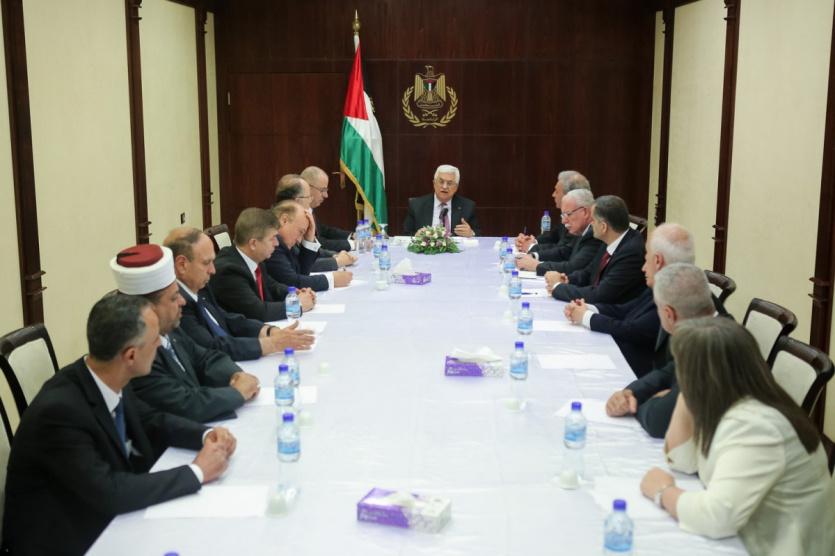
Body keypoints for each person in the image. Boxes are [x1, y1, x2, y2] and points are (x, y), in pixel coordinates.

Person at [1, 294, 236, 555]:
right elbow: (110, 492)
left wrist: (205, 435)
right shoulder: (59, 413)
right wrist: (197, 471)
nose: (160, 344)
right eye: (155, 339)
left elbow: (153, 420)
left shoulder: (106, 373)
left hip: (99, 517)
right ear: (131, 355)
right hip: (68, 540)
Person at [640, 317, 835, 555]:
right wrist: (684, 394)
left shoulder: (756, 426)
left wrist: (663, 492)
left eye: (682, 370)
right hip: (747, 538)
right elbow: (683, 461)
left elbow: (717, 517)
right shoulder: (734, 402)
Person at [111, 243, 261, 422]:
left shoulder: (169, 328)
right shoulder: (138, 353)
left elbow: (205, 357)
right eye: (174, 297)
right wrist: (237, 393)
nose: (182, 301)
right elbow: (185, 405)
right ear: (149, 310)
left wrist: (235, 374)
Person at [164, 226, 315, 361]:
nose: (213, 270)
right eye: (206, 263)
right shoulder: (176, 303)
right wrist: (271, 344)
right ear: (182, 265)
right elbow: (212, 347)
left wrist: (270, 331)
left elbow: (226, 318)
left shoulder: (199, 286)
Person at [563, 223, 693, 377]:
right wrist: (588, 309)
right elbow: (624, 310)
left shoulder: (676, 296)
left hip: (637, 370)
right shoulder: (660, 287)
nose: (643, 268)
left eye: (646, 260)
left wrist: (585, 317)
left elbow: (631, 330)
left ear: (658, 261)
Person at [605, 263, 718, 437]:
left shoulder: (710, 347)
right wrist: (632, 392)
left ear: (668, 314)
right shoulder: (706, 324)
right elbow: (669, 371)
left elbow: (658, 421)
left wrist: (640, 403)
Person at [211, 207, 316, 321]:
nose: (277, 243)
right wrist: (298, 304)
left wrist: (295, 293)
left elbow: (272, 286)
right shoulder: (229, 271)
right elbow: (258, 312)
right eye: (272, 238)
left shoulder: (254, 258)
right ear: (253, 243)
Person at [546, 195, 646, 304]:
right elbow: (589, 272)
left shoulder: (631, 253)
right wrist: (567, 279)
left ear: (603, 227)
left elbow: (600, 295)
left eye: (593, 220)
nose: (591, 224)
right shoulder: (611, 238)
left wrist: (558, 287)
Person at [264, 200, 353, 291]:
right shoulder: (272, 243)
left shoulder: (285, 242)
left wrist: (309, 238)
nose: (299, 240)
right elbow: (291, 282)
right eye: (300, 232)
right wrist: (331, 280)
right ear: (284, 220)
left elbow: (301, 273)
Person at [275, 173, 355, 271]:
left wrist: (335, 255)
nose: (310, 200)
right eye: (308, 197)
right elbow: (297, 266)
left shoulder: (294, 221)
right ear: (297, 201)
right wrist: (336, 261)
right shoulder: (277, 230)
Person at [515, 189, 602, 275]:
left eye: (568, 214)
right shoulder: (582, 230)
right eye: (563, 215)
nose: (563, 221)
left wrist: (537, 266)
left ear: (585, 212)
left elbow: (573, 268)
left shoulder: (594, 234)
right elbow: (565, 253)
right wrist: (534, 256)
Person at [514, 170, 591, 256]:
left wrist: (531, 247)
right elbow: (553, 236)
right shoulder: (568, 215)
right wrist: (532, 241)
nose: (553, 195)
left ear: (569, 195)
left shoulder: (582, 223)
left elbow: (564, 251)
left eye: (556, 191)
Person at [402, 164, 480, 237]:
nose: (444, 186)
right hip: (427, 247)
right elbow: (406, 234)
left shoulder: (468, 206)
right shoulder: (416, 205)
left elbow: (479, 234)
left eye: (449, 183)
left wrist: (471, 233)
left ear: (456, 187)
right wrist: (416, 236)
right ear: (434, 183)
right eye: (441, 182)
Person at [301, 165, 353, 252]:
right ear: (308, 187)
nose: (326, 195)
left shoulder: (309, 208)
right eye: (323, 190)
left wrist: (350, 236)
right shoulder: (298, 212)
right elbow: (316, 242)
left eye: (326, 190)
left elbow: (323, 230)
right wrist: (352, 244)